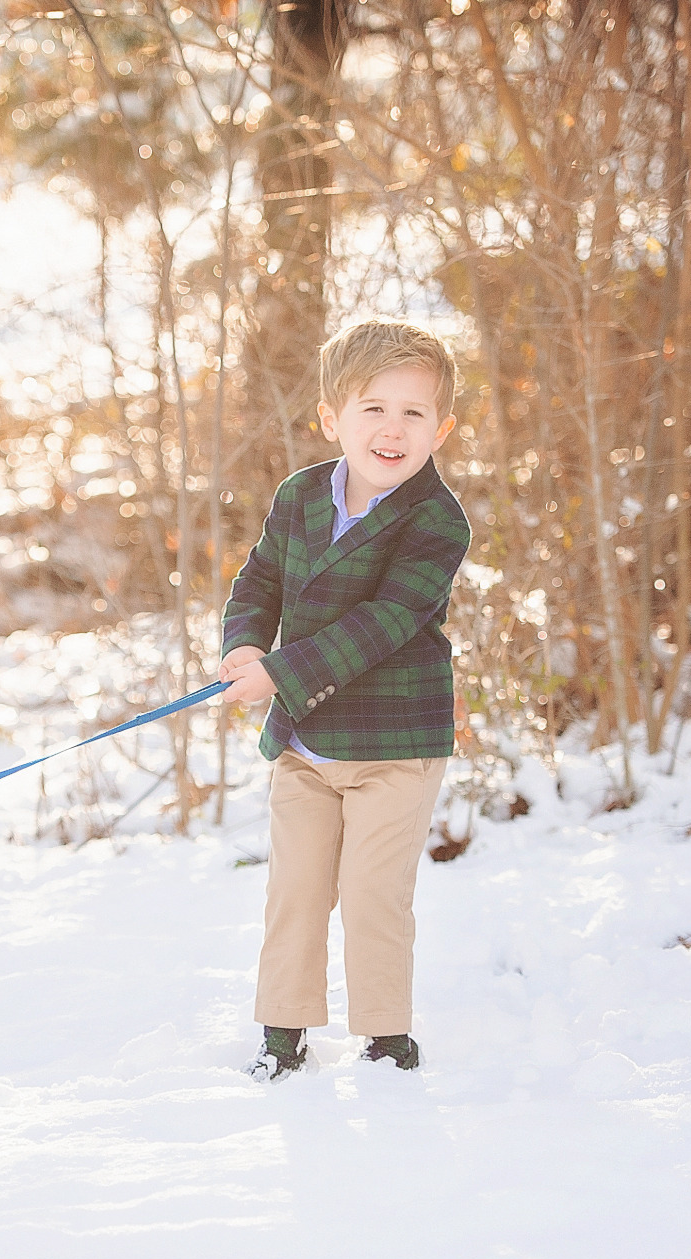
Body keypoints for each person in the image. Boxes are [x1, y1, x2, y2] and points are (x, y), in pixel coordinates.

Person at [218, 318, 472, 1081]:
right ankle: (282, 1029)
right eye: (373, 408)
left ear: (442, 427)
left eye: (414, 413)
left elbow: (385, 623)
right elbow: (260, 579)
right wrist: (244, 644)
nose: (392, 429)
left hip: (394, 745)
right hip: (306, 743)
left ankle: (387, 1037)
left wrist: (282, 673)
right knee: (294, 889)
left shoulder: (436, 521)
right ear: (332, 417)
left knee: (371, 895)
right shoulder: (300, 497)